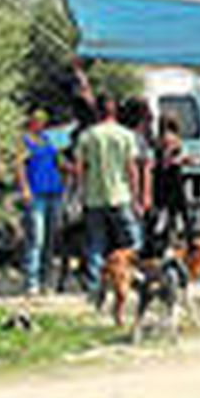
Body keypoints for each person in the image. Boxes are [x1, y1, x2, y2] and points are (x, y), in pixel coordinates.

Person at [74, 96, 141, 299]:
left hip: (94, 197)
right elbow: (131, 169)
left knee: (96, 245)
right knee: (132, 242)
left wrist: (80, 194)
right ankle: (133, 279)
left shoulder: (87, 136)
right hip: (120, 196)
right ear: (114, 112)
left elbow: (80, 169)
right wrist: (136, 197)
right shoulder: (126, 135)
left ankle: (95, 288)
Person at [16, 109, 66, 295]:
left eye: (43, 120)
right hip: (35, 193)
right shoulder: (24, 141)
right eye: (37, 120)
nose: (40, 123)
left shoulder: (48, 139)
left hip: (54, 191)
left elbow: (58, 161)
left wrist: (73, 169)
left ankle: (46, 281)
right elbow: (19, 165)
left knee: (50, 239)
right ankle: (31, 281)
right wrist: (24, 188)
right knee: (36, 236)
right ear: (30, 121)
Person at [149, 113, 192, 254]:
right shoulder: (172, 140)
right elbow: (169, 161)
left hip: (160, 182)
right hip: (173, 181)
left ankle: (163, 243)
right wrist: (180, 159)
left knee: (163, 214)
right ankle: (178, 243)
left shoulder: (158, 140)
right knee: (177, 214)